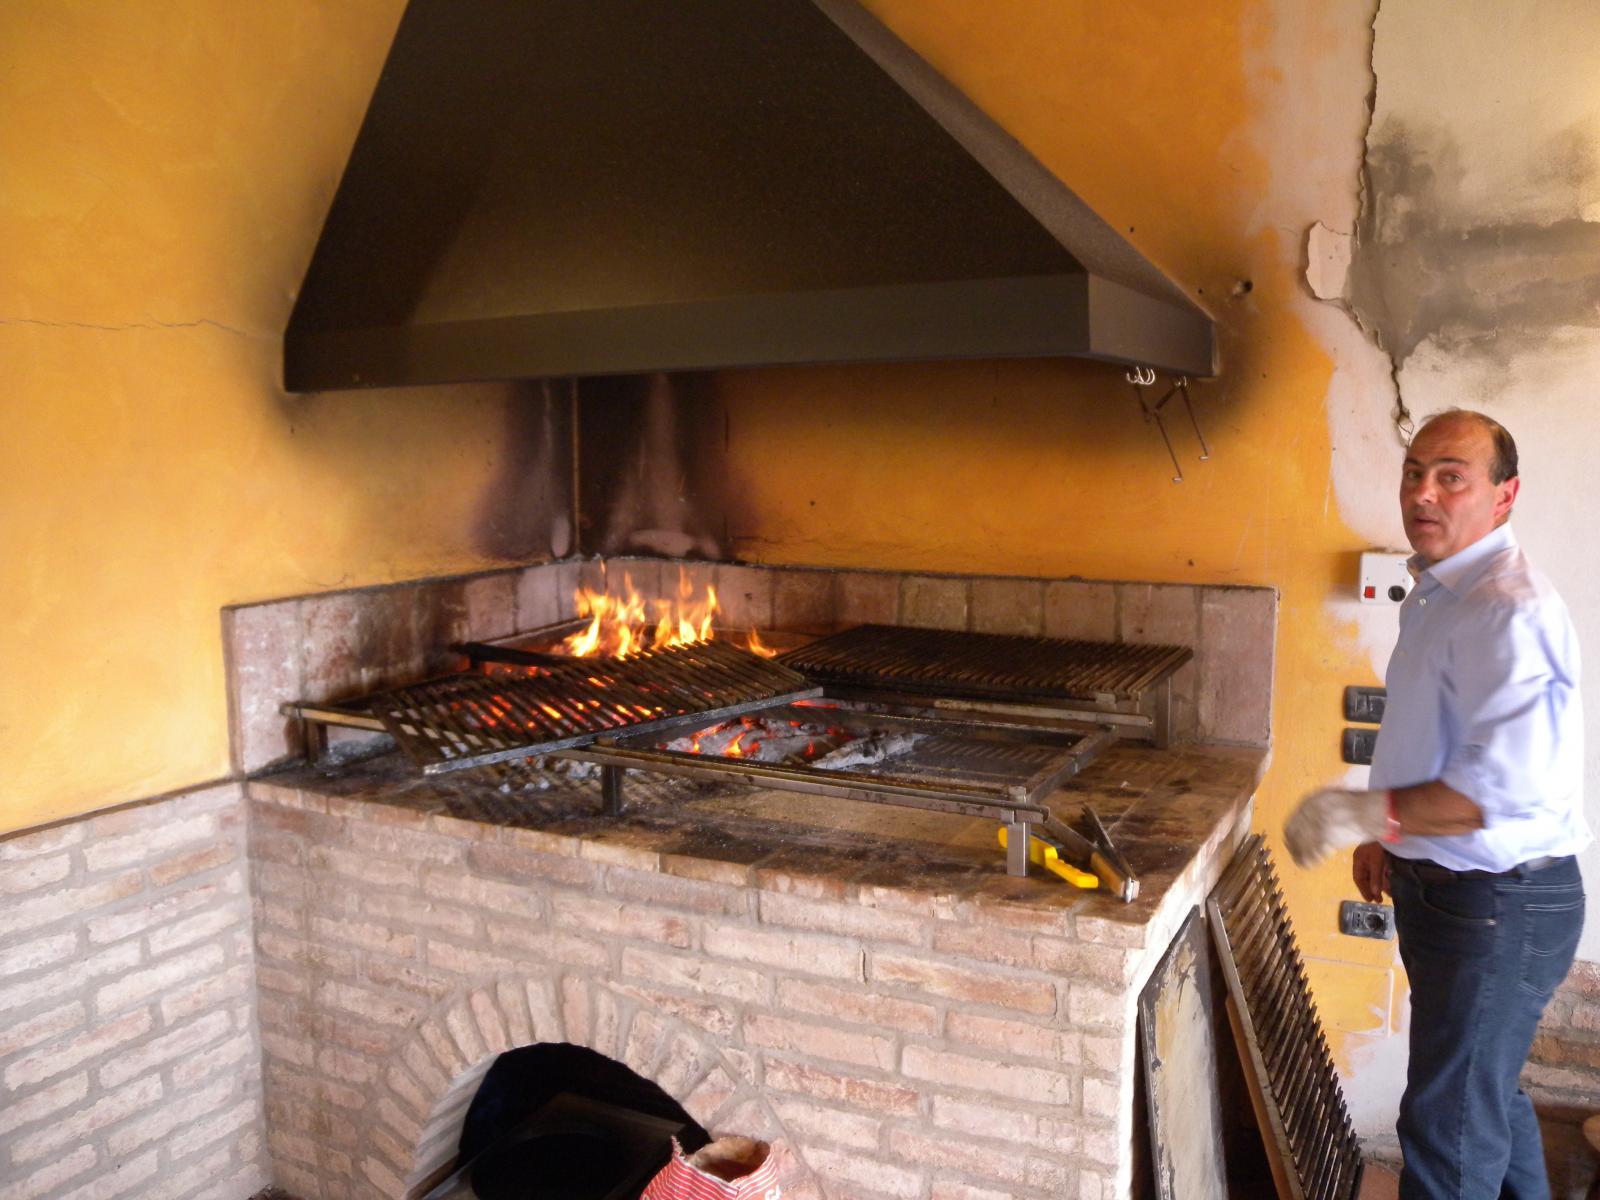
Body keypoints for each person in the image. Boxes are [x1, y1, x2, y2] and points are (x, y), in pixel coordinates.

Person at [1284, 408, 1589, 1199]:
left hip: (1499, 904)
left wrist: (1354, 815)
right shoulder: (1438, 590)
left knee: (1448, 1129)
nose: (1423, 492)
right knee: (1482, 1096)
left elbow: (1497, 792)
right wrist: (1391, 839)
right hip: (1456, 894)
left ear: (1504, 495)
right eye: (1414, 472)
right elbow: (1434, 738)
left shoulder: (1506, 609)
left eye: (1451, 477)